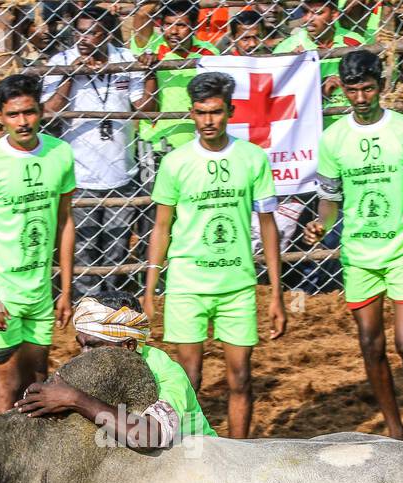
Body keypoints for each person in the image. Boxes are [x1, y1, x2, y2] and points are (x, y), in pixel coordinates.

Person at [305, 49, 403, 441]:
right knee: (370, 344)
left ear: (381, 87)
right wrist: (322, 224)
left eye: (367, 89)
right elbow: (330, 199)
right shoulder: (334, 138)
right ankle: (393, 427)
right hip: (359, 255)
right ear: (345, 92)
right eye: (352, 91)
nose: (360, 98)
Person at [144, 71, 288, 440]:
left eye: (216, 112)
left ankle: (237, 456)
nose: (208, 120)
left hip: (237, 286)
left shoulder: (253, 158)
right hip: (186, 286)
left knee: (240, 377)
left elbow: (268, 225)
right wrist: (150, 288)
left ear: (230, 111)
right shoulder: (175, 162)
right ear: (191, 113)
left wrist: (276, 291)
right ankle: (188, 454)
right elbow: (162, 226)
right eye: (200, 112)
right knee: (188, 380)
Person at [0, 73, 77, 414]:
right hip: (1, 296)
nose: (22, 122)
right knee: (7, 385)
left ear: (40, 111)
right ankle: (0, 467)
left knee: (37, 380)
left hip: (40, 292)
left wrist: (65, 289)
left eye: (29, 112)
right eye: (13, 114)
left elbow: (65, 220)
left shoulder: (60, 154)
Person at [42, 5, 156, 297]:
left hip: (120, 171)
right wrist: (71, 74)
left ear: (107, 34)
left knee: (116, 248)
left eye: (92, 32)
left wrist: (150, 72)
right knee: (83, 246)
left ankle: (108, 302)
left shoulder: (125, 59)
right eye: (80, 32)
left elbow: (147, 110)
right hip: (80, 176)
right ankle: (85, 306)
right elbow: (49, 113)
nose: (84, 39)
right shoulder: (61, 61)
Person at [14, 293, 217, 444]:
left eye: (93, 346)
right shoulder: (98, 368)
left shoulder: (166, 374)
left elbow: (150, 436)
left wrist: (74, 399)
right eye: (81, 344)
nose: (84, 355)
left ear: (128, 346)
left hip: (200, 465)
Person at [136, 0, 222, 154]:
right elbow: (142, 13)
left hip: (198, 143)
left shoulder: (209, 52)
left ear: (194, 26)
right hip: (155, 142)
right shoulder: (151, 46)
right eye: (168, 24)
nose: (173, 31)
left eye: (181, 25)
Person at [273, 0, 367, 126]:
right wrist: (319, 91)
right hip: (307, 125)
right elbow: (278, 101)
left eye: (317, 13)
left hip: (352, 121)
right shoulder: (287, 48)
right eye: (305, 12)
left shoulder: (354, 42)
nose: (308, 19)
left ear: (334, 15)